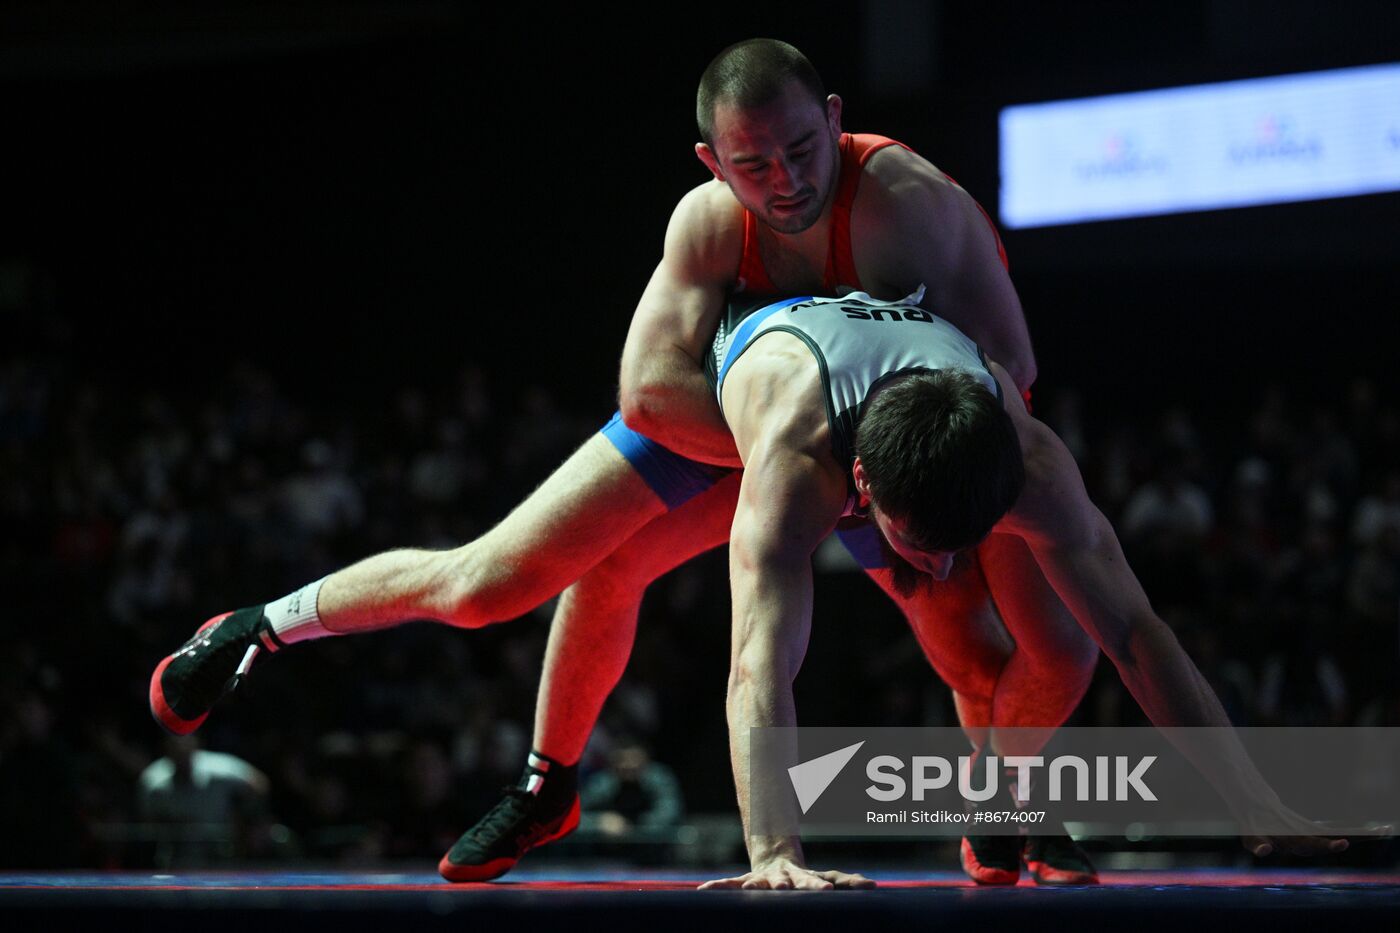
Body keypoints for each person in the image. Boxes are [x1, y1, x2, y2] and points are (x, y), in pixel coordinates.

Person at [149, 38, 1083, 885]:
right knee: (497, 580)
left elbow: (1013, 369)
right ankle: (266, 632)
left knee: (973, 646)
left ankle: (1009, 809)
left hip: (877, 449)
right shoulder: (711, 222)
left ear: (834, 119)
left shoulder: (914, 205)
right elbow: (647, 392)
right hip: (748, 432)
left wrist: (872, 465)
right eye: (753, 165)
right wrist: (796, 460)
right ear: (714, 164)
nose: (787, 181)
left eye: (802, 150)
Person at [685, 289, 1350, 891]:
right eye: (926, 546)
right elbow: (758, 658)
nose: (944, 568)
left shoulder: (1031, 461)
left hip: (925, 420)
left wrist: (1251, 798)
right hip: (743, 387)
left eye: (960, 546)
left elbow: (1138, 635)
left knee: (1067, 653)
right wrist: (773, 849)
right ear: (861, 482)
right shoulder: (797, 463)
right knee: (970, 654)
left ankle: (997, 790)